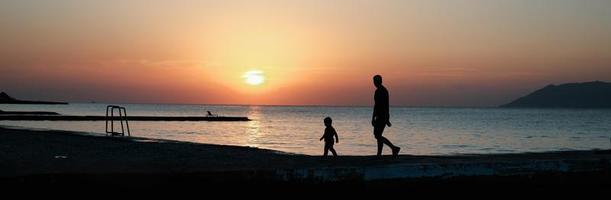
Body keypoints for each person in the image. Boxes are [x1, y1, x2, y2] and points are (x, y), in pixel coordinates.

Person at [371, 75, 401, 157]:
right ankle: (379, 153)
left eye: (375, 81)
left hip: (381, 116)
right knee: (378, 135)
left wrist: (374, 117)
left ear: (378, 81)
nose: (374, 83)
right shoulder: (384, 90)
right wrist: (387, 117)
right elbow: (384, 105)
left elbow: (378, 105)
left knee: (377, 135)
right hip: (382, 115)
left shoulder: (380, 91)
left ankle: (393, 148)